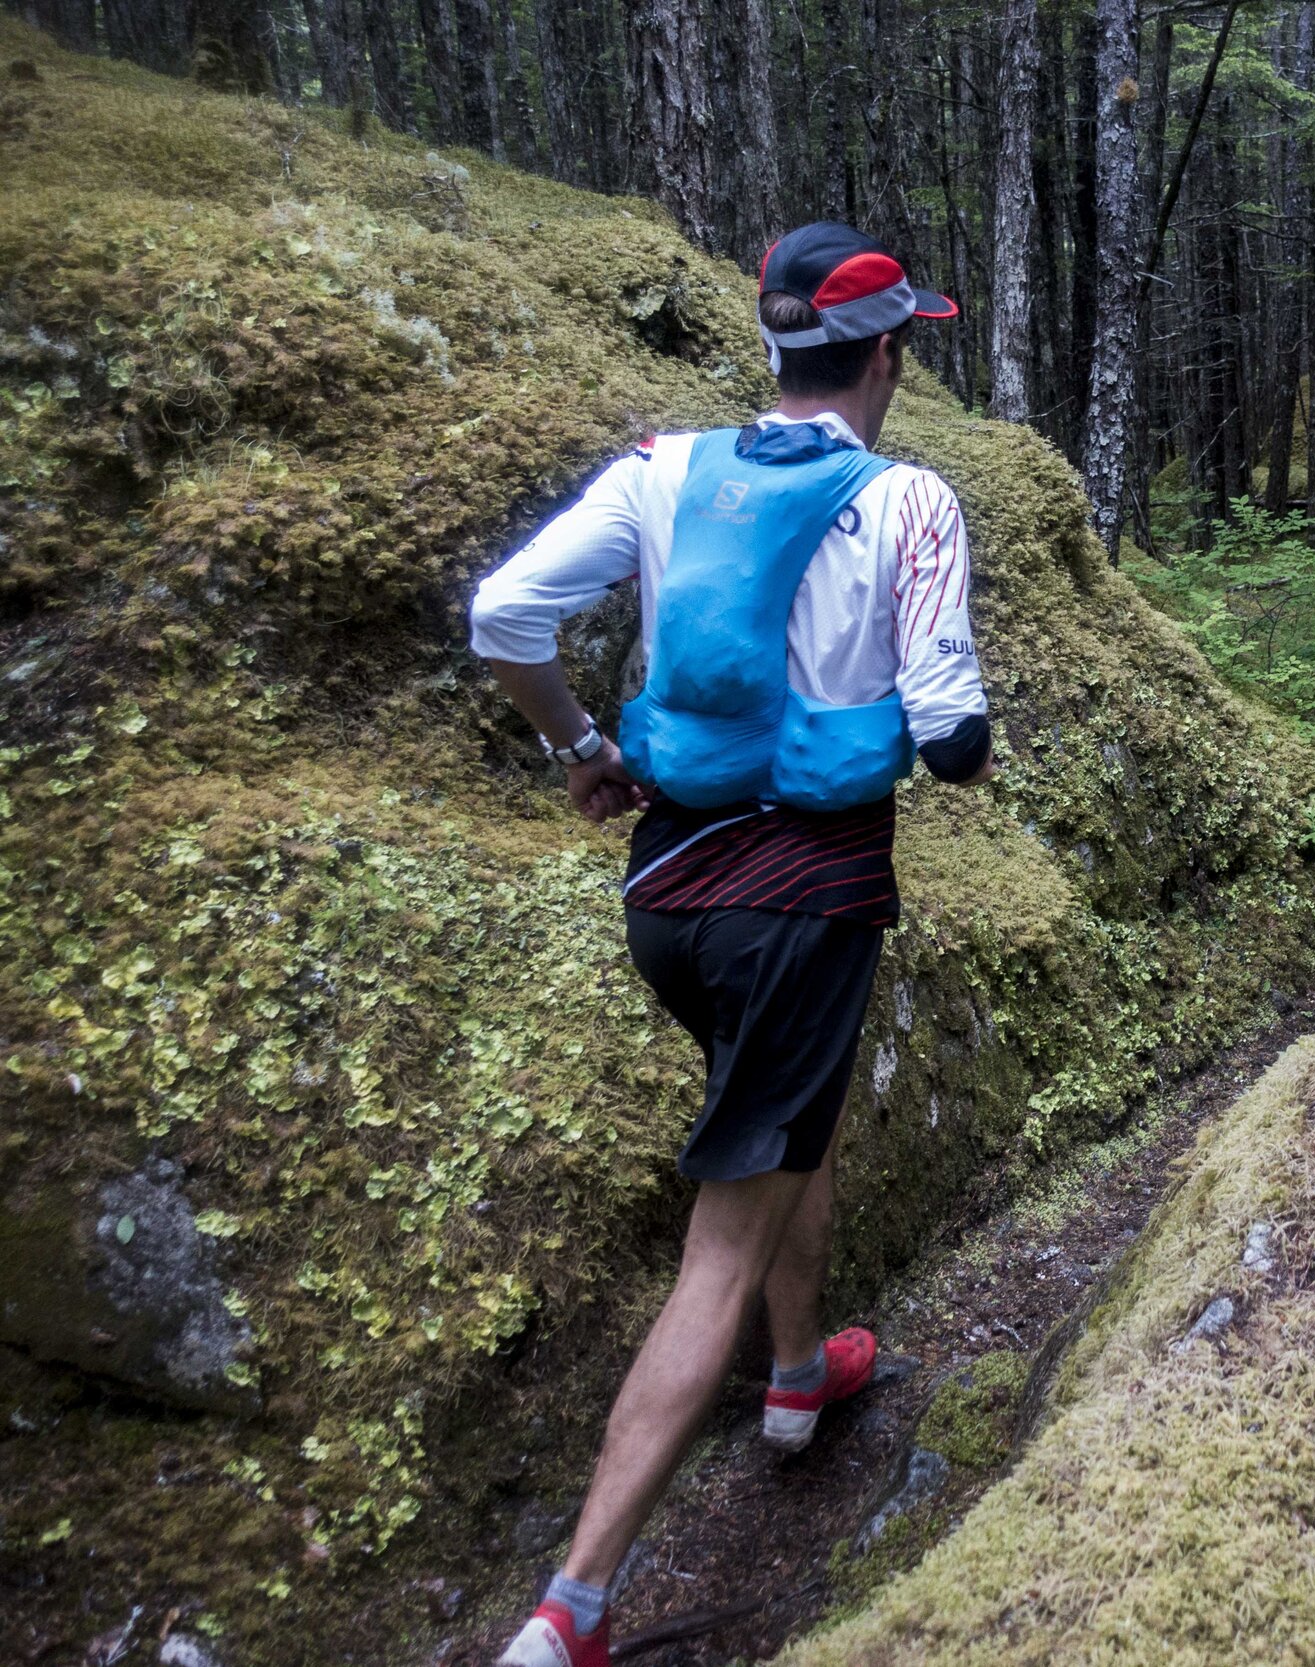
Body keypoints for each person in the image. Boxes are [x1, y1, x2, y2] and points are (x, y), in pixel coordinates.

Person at [468, 223, 989, 1667]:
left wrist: (578, 740)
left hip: (671, 897)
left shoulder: (660, 471)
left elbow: (503, 612)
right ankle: (569, 1607)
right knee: (724, 1230)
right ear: (888, 352)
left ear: (774, 349)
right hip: (801, 909)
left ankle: (801, 1374)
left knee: (786, 1128)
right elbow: (950, 735)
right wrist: (946, 730)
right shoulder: (913, 503)